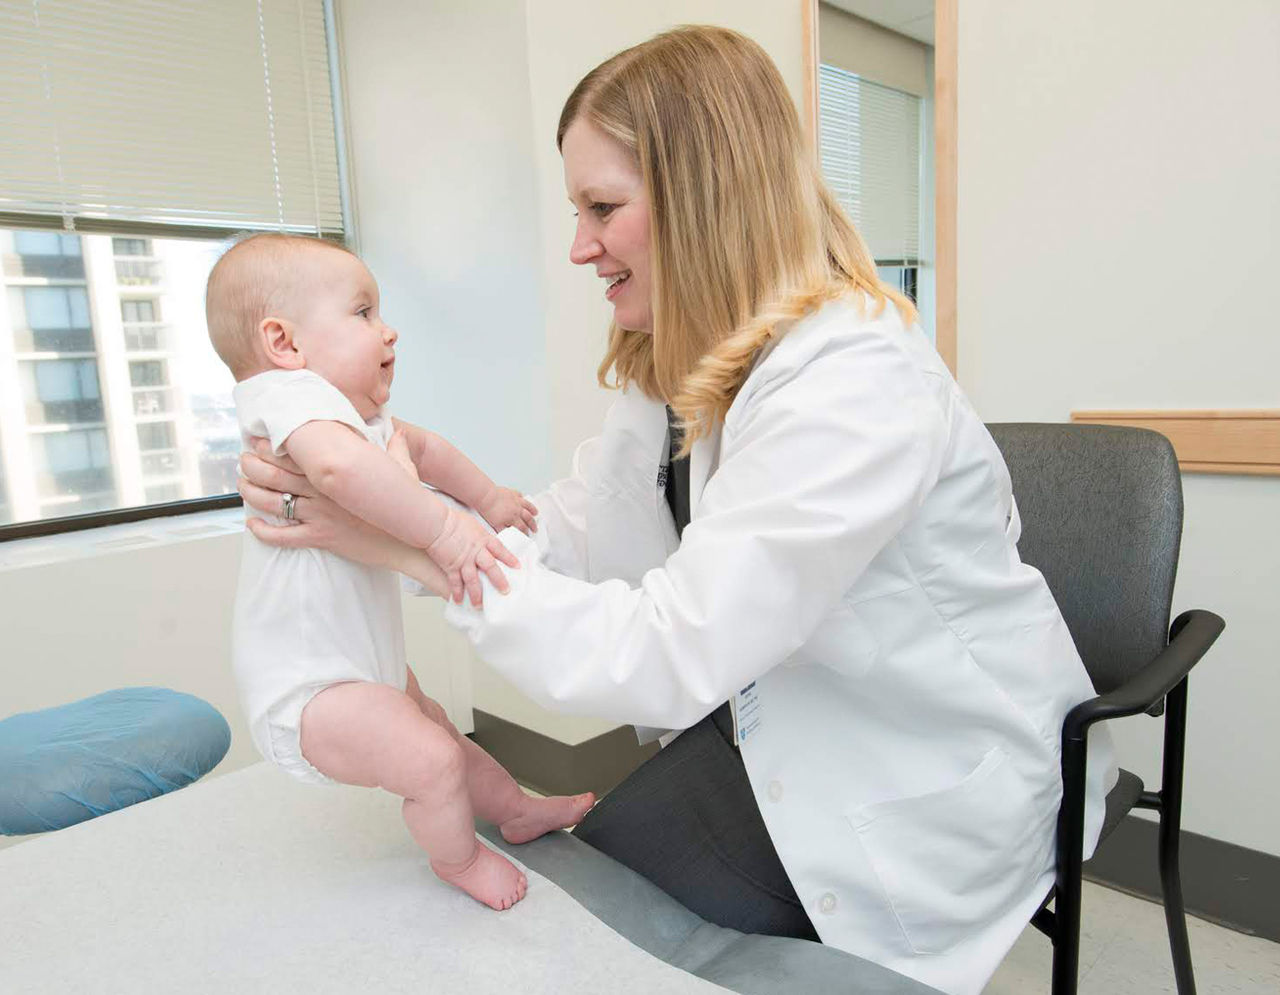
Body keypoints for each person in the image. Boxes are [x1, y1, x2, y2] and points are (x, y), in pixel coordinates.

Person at [236, 27, 1117, 995]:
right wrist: (395, 496)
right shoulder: (679, 373)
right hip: (770, 734)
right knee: (557, 921)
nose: (579, 246)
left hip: (921, 784)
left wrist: (415, 544)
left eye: (602, 207)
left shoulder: (853, 383)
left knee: (592, 952)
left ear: (705, 197)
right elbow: (576, 524)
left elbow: (668, 651)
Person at [206, 233, 593, 911]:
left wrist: (490, 498)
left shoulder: (360, 418)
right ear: (284, 343)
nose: (388, 330)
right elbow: (337, 472)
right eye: (362, 313)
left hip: (363, 667)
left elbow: (424, 448)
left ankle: (516, 808)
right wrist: (448, 530)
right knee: (433, 760)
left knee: (442, 733)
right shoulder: (289, 397)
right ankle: (458, 857)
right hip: (310, 689)